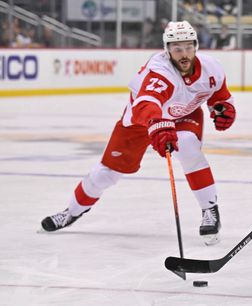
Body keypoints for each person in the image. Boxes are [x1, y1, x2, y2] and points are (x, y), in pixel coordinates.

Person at [41, 21, 236, 246]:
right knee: (105, 174)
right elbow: (147, 104)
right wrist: (157, 124)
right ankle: (71, 212)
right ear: (167, 50)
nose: (184, 54)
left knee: (188, 145)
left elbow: (219, 94)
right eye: (177, 49)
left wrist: (222, 108)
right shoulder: (160, 72)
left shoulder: (212, 67)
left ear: (196, 46)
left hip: (183, 115)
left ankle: (210, 210)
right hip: (141, 121)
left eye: (188, 47)